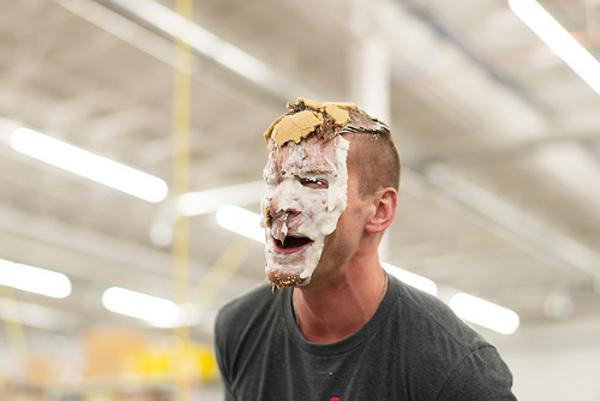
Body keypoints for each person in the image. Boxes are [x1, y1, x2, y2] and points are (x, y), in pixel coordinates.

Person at [214, 98, 517, 400]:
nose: (279, 206)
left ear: (380, 210)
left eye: (313, 181)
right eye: (275, 181)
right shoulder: (239, 328)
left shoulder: (453, 369)